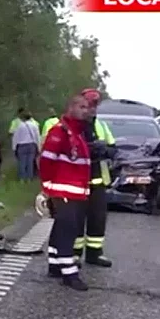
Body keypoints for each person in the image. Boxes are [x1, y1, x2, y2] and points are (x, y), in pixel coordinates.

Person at [39, 94, 92, 291]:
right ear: (70, 108)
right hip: (63, 192)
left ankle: (54, 264)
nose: (85, 110)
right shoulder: (60, 132)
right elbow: (46, 161)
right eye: (81, 106)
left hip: (75, 192)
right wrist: (48, 189)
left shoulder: (77, 133)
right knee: (67, 231)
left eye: (87, 107)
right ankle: (69, 274)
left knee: (61, 228)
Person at [73, 88, 116, 268]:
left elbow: (114, 149)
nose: (91, 110)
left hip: (97, 182)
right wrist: (87, 149)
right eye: (89, 106)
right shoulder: (70, 125)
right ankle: (73, 255)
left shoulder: (101, 125)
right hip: (76, 182)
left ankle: (94, 254)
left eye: (94, 106)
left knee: (97, 219)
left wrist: (104, 150)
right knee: (75, 220)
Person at [12, 110, 40, 181]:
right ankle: (29, 178)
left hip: (22, 145)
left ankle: (22, 178)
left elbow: (16, 137)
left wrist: (14, 147)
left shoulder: (20, 126)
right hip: (31, 145)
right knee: (30, 162)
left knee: (22, 162)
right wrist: (39, 147)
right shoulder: (34, 125)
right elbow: (37, 136)